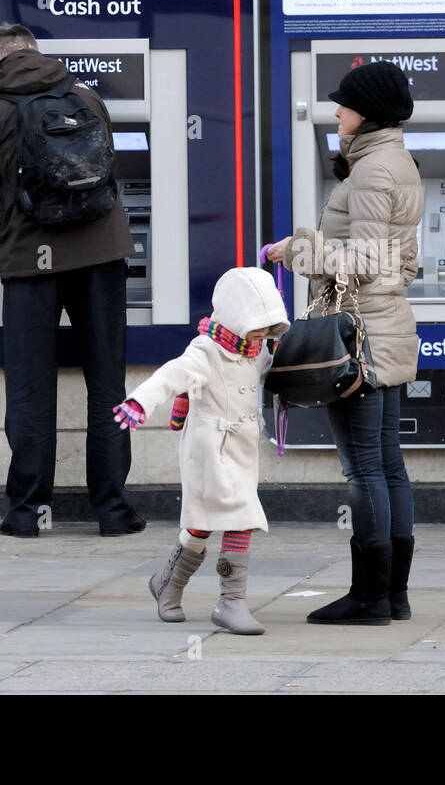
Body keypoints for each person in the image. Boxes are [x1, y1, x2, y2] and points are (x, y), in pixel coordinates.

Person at [0, 23, 145, 538]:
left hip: (30, 265)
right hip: (103, 256)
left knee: (30, 391)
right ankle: (114, 511)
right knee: (108, 384)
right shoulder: (85, 96)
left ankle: (26, 514)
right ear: (37, 54)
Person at [266, 60, 423, 625]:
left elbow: (367, 259)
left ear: (368, 113)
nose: (336, 112)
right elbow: (404, 264)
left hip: (360, 338)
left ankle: (369, 597)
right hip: (384, 327)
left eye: (345, 104)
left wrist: (298, 251)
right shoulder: (394, 162)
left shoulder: (375, 171)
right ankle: (393, 595)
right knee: (387, 466)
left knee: (364, 471)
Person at [113, 267, 290, 635]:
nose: (262, 332)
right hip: (208, 449)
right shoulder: (206, 349)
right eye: (257, 323)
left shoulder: (255, 350)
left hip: (239, 450)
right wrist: (141, 401)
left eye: (269, 325)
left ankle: (166, 582)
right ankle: (231, 602)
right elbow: (172, 374)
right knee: (239, 518)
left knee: (202, 524)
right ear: (237, 316)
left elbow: (275, 372)